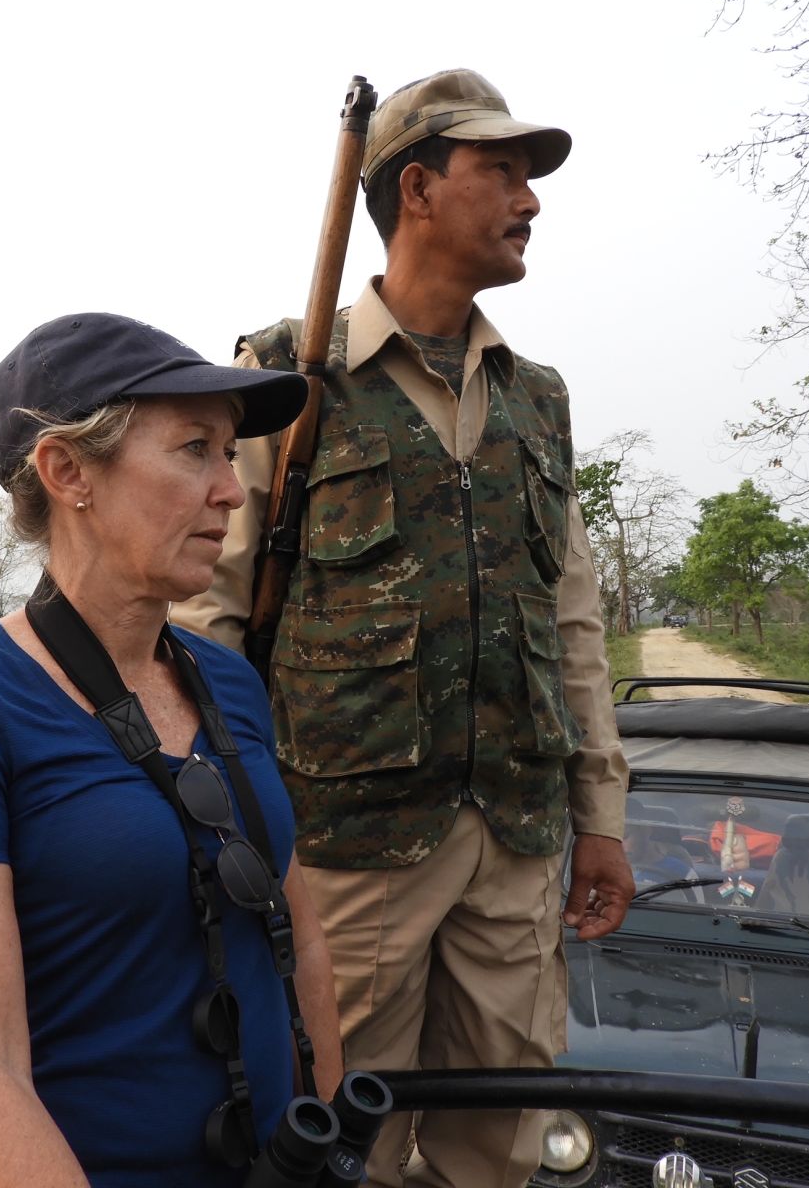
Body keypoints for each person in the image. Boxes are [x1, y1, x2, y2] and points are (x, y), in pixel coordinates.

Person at [170, 70, 632, 1187]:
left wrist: (600, 816)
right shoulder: (282, 378)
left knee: (501, 1132)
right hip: (343, 852)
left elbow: (568, 616)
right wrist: (232, 829)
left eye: (530, 176)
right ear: (417, 187)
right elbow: (208, 615)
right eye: (504, 172)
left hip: (514, 846)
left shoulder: (538, 397)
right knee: (341, 1129)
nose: (531, 200)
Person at [0, 313, 343, 1188]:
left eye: (229, 455)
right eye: (195, 448)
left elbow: (301, 941)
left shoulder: (229, 684)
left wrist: (331, 1135)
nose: (232, 491)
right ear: (69, 471)